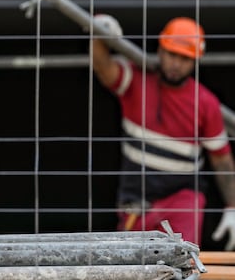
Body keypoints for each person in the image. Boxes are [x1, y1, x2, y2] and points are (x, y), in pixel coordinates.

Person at [92, 15, 235, 249]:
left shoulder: (206, 103)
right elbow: (102, 66)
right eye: (172, 54)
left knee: (181, 263)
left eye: (185, 58)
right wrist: (98, 33)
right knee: (133, 267)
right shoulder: (135, 82)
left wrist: (232, 207)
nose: (176, 64)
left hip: (182, 198)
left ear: (196, 61)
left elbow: (221, 159)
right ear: (160, 50)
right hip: (136, 202)